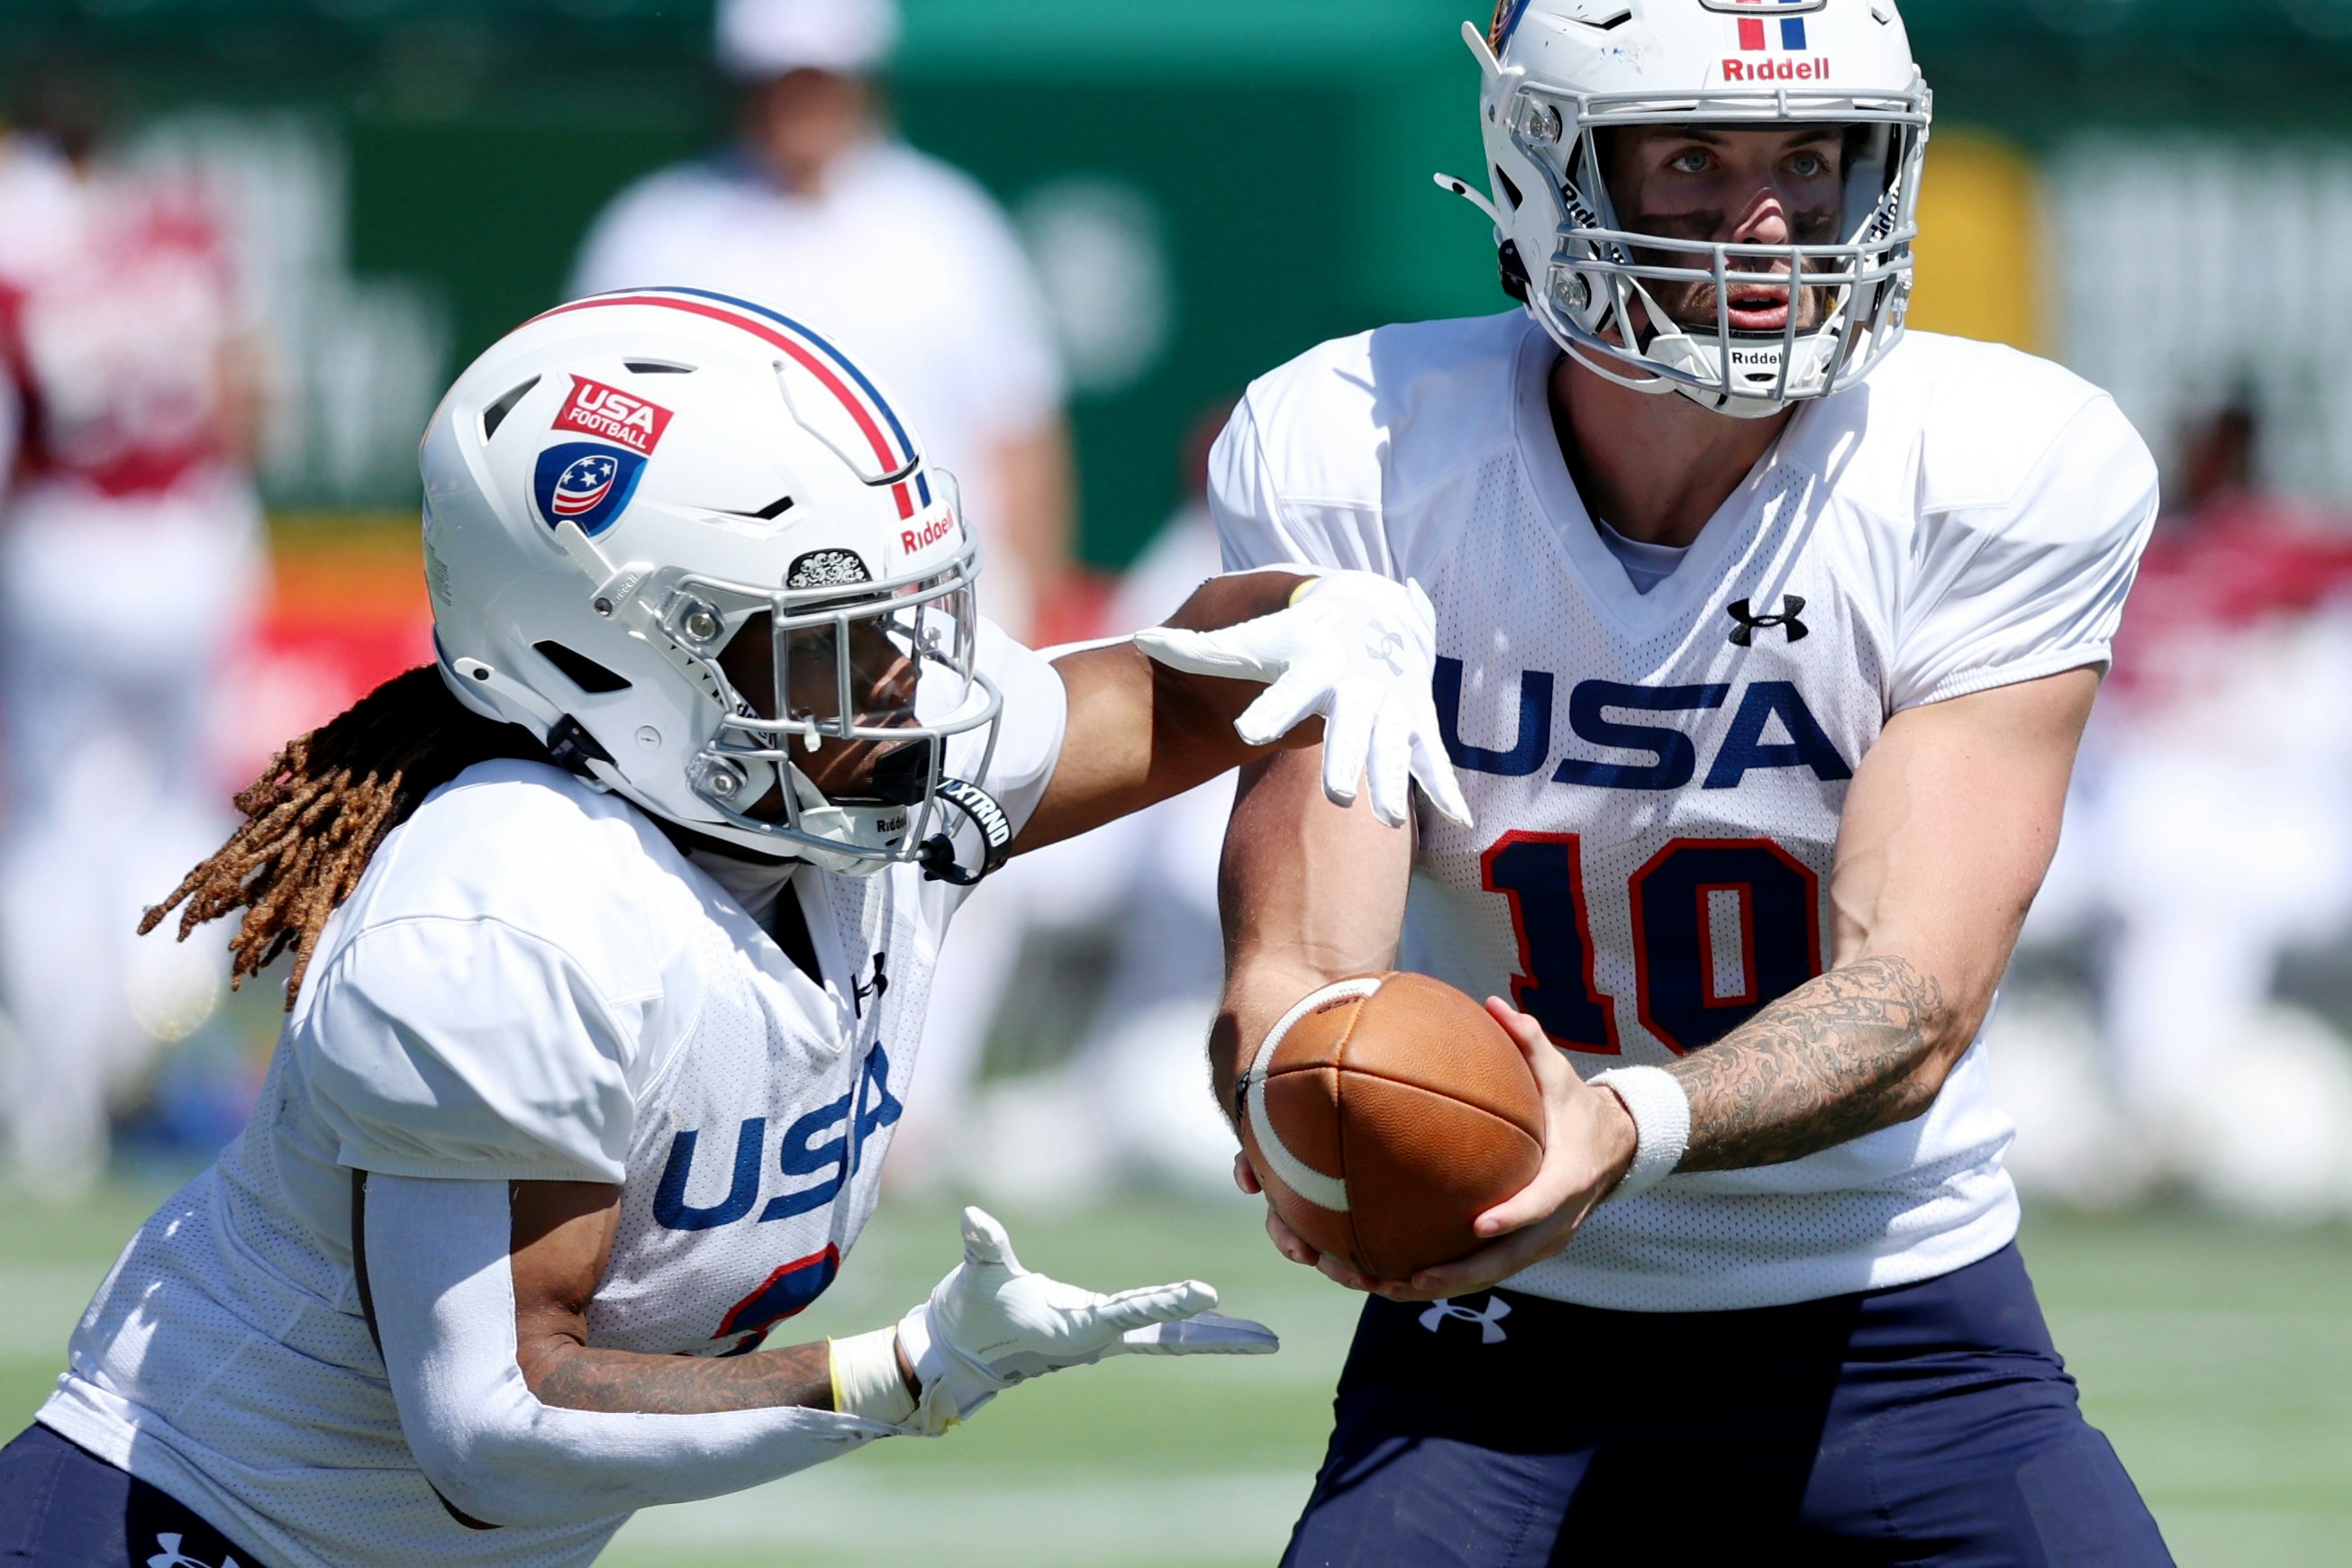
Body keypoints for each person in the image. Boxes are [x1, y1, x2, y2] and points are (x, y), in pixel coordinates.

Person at [0, 286, 1470, 1568]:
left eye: (898, 624)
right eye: (828, 638)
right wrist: (902, 1368)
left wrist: (1334, 613)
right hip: (176, 1534)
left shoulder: (840, 772)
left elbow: (1174, 687)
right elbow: (494, 1424)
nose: (902, 686)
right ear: (602, 650)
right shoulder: (505, 910)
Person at [1202, 3, 2177, 1561]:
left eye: (1811, 153)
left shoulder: (2001, 461)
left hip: (1895, 1323)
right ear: (1545, 168)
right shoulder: (1361, 445)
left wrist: (1623, 1124)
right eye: (1690, 158)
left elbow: (1912, 995)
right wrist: (1307, 1101)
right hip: (1497, 1334)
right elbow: (1303, 966)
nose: (1769, 215)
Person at [566, 0, 1077, 1184]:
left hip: (923, 606)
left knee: (947, 850)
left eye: (818, 79)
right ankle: (727, 1113)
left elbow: (1017, 428)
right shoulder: (660, 226)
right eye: (776, 79)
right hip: (723, 617)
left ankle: (902, 1113)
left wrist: (1036, 601)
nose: (798, 105)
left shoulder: (944, 227)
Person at [0, 76, 267, 1194]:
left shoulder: (20, 230)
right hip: (190, 531)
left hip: (68, 530)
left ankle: (63, 1087)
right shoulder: (173, 223)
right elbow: (246, 393)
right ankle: (160, 1053)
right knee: (171, 807)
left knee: (58, 824)